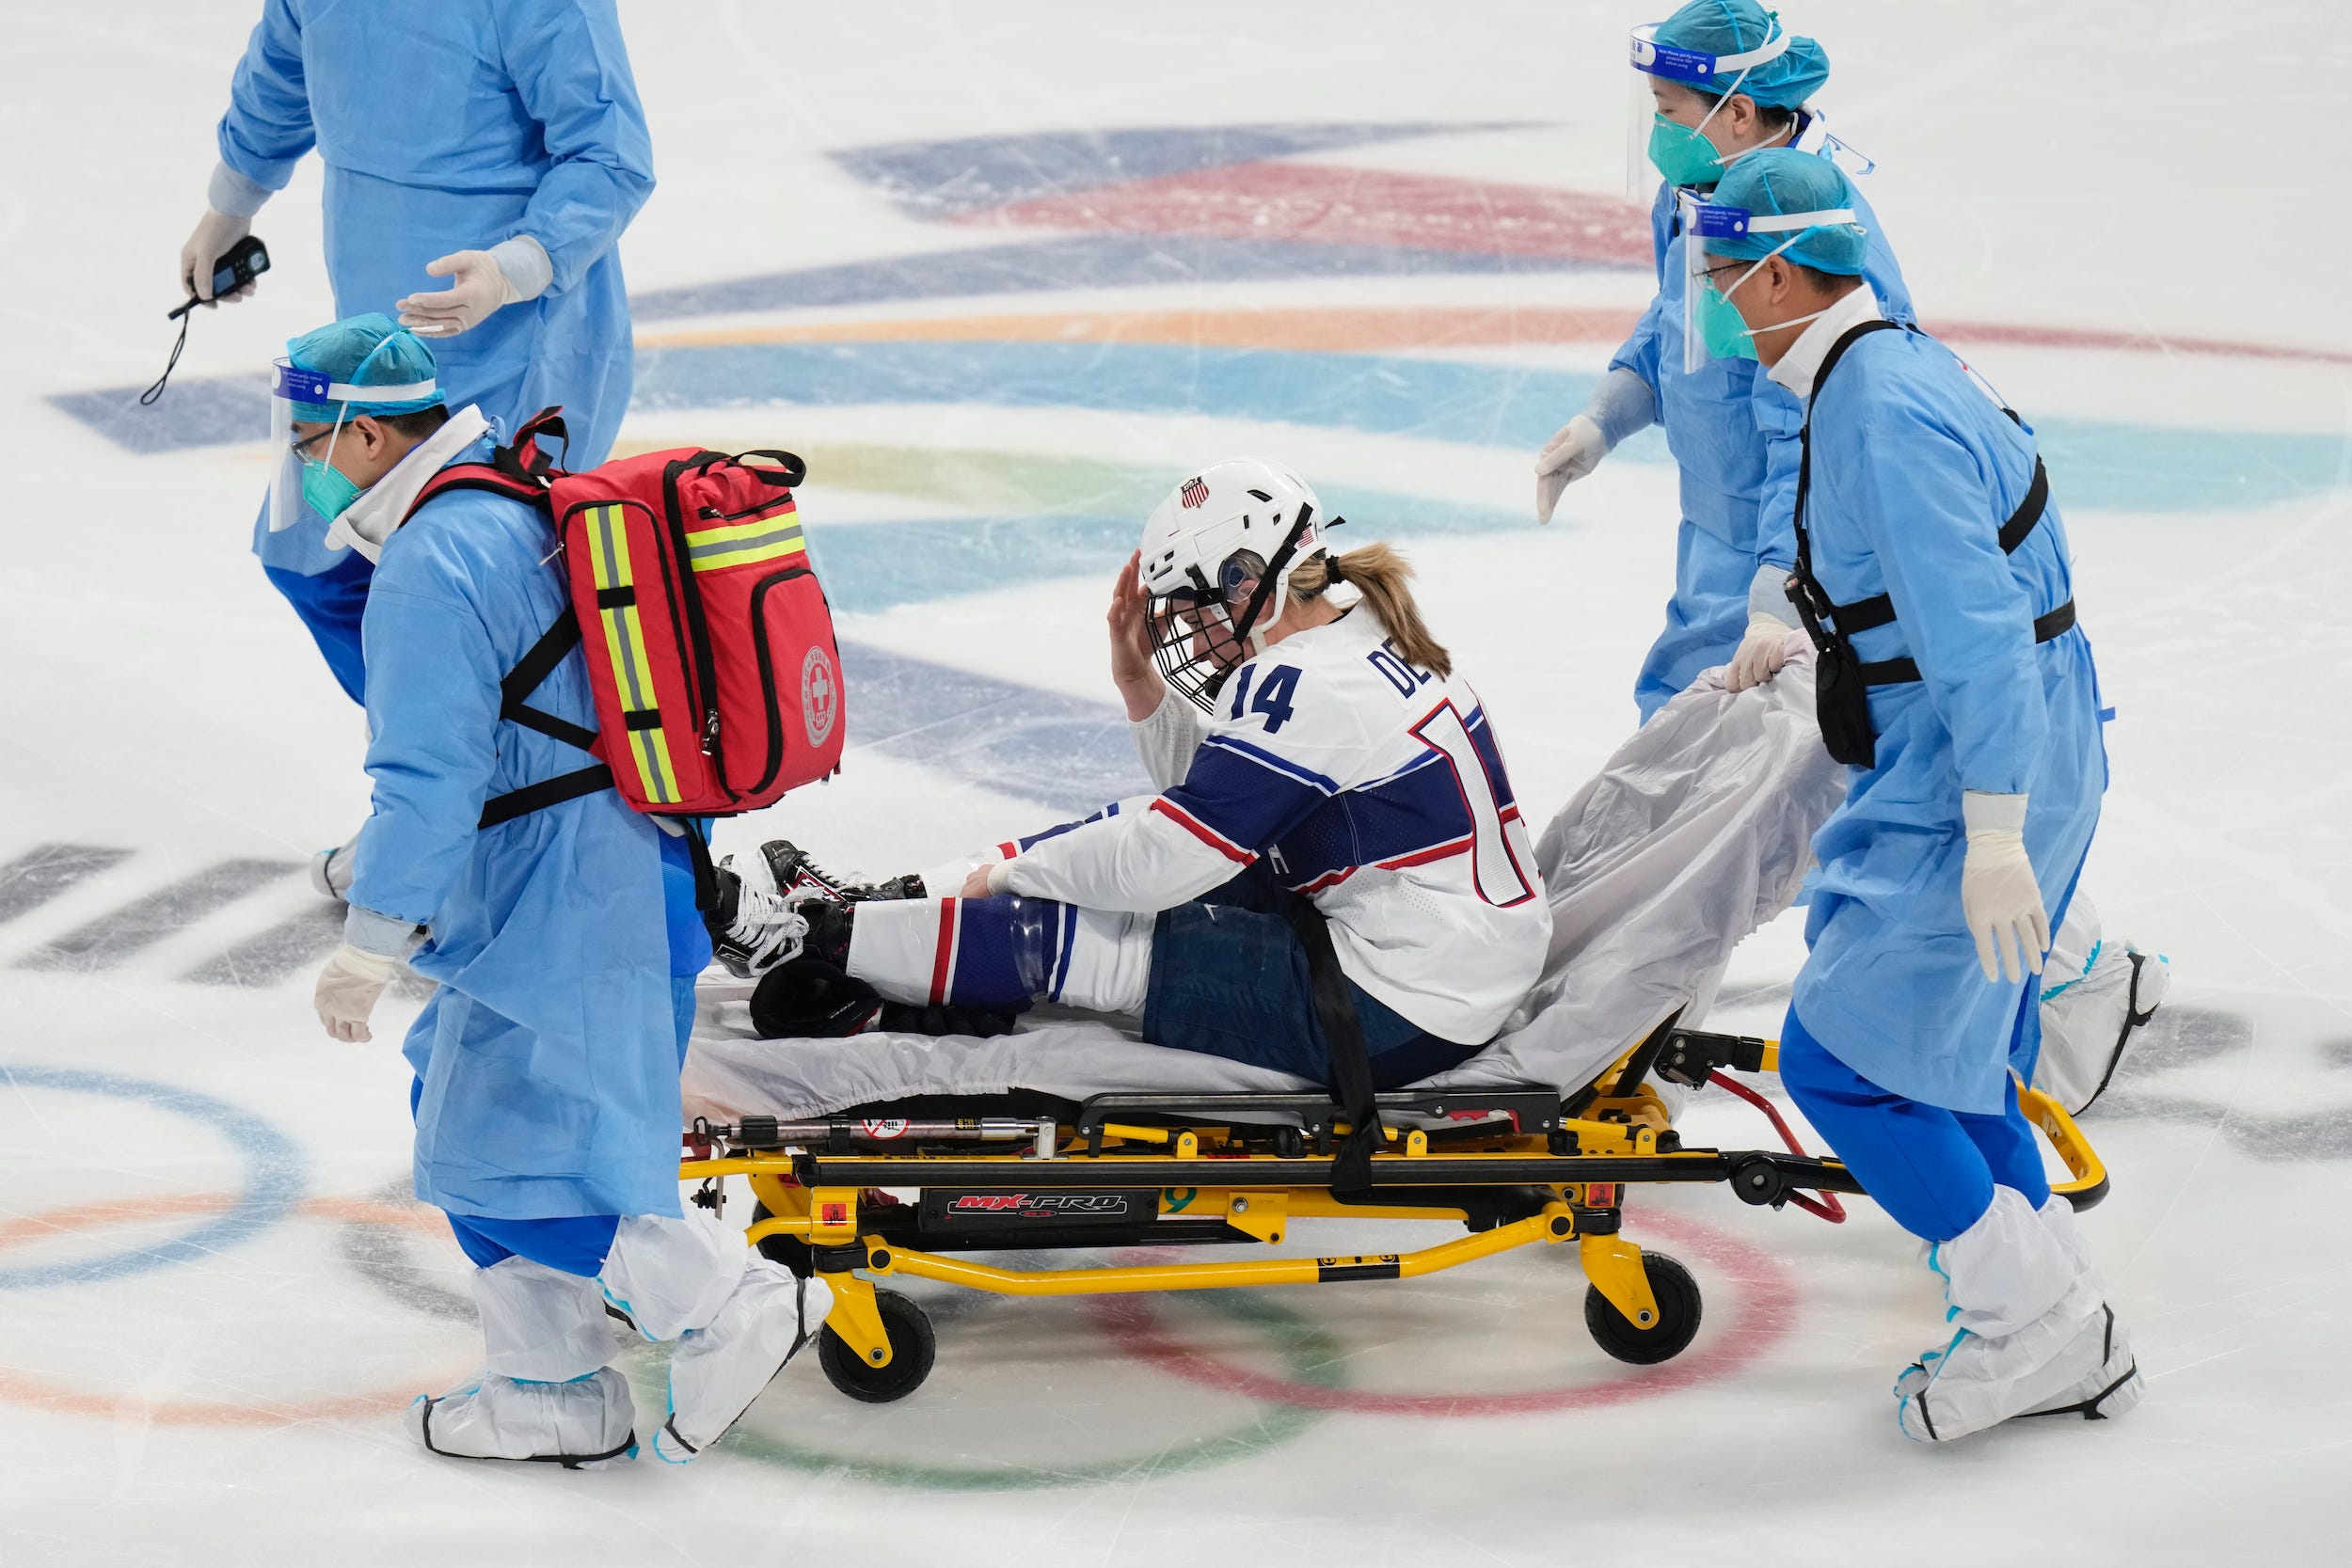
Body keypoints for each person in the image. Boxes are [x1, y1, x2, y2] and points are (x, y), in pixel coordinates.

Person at [291, 314, 820, 1467]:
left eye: (306, 437)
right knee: (482, 1125)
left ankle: (724, 1298)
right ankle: (548, 1390)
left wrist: (370, 940)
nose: (300, 464)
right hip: (622, 876)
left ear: (367, 433)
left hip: (567, 897)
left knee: (513, 1155)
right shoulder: (514, 505)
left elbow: (427, 778)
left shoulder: (433, 559)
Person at [1696, 151, 2140, 1440]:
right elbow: (1920, 572)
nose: (1719, 296)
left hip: (1975, 761)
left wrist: (1994, 828)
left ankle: (2038, 1324)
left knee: (1844, 1063)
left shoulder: (1877, 406)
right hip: (1986, 746)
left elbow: (1981, 630)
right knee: (1948, 1057)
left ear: (1780, 269)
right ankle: (2048, 1291)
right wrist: (1801, 618)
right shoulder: (1882, 366)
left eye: (1727, 271)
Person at [719, 460, 1552, 1092]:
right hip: (1436, 961)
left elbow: (1168, 860)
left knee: (1097, 943)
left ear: (1244, 578)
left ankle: (820, 933)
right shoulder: (1351, 632)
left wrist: (1005, 875)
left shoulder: (1310, 683)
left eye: (1194, 606)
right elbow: (1216, 805)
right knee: (1110, 840)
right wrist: (1143, 692)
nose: (1187, 629)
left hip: (1400, 1006)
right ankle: (874, 904)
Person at [181, 0, 654, 891]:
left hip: (522, 346)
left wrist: (519, 264)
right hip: (380, 340)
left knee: (475, 603)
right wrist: (232, 202)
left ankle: (483, 825)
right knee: (310, 554)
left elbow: (610, 152)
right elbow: (285, 66)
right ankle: (462, 798)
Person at [1534, 0, 1914, 722]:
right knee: (1679, 713)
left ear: (1737, 113)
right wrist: (1610, 411)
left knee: (1749, 744)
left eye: (1668, 110)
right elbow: (1681, 310)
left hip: (1792, 543)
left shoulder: (1804, 249)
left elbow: (1819, 440)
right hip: (1717, 518)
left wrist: (1780, 583)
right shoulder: (1698, 195)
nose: (1659, 133)